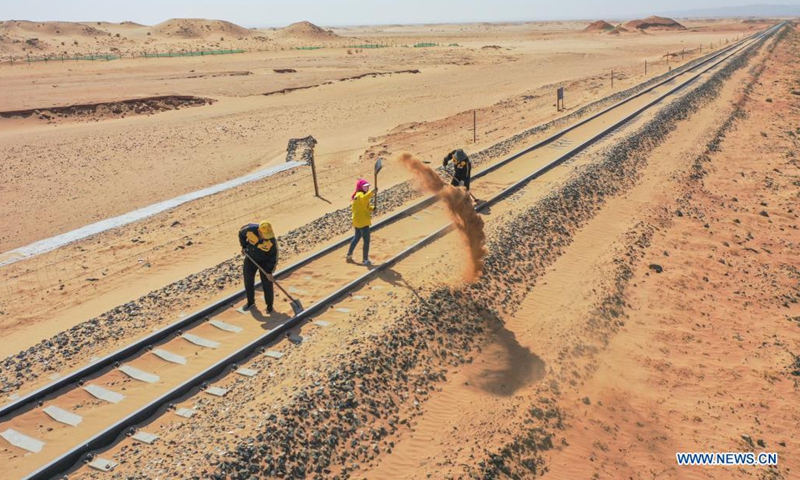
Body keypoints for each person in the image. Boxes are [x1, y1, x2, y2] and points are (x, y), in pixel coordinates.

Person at [238, 220, 278, 313]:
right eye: (264, 234)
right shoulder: (249, 230)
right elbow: (241, 234)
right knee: (248, 281)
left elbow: (274, 257)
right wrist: (244, 247)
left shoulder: (271, 241)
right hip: (250, 259)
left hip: (264, 262)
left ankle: (269, 306)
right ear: (259, 231)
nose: (266, 237)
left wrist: (269, 272)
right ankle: (250, 302)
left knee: (267, 283)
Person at [346, 178, 376, 266]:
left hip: (357, 221)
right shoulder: (360, 195)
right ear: (360, 187)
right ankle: (365, 260)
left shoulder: (357, 195)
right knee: (366, 241)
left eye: (368, 187)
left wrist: (371, 208)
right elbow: (364, 199)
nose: (367, 188)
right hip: (363, 222)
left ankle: (349, 254)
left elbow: (364, 206)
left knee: (356, 237)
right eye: (365, 186)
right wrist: (372, 192)